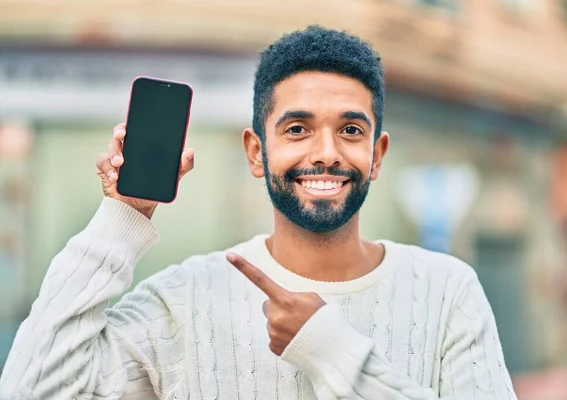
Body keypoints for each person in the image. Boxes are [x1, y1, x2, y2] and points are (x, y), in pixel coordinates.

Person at [0, 26, 517, 399]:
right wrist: (121, 218)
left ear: (377, 156)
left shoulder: (448, 290)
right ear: (255, 152)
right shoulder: (183, 299)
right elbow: (32, 390)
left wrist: (331, 351)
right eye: (297, 129)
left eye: (351, 130)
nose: (326, 152)